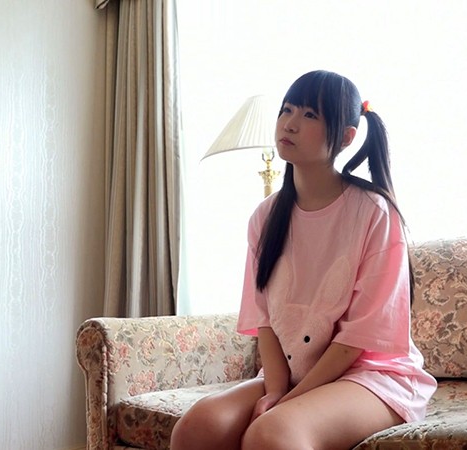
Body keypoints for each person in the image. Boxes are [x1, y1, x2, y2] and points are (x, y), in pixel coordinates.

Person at [170, 70, 437, 450]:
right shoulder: (265, 217)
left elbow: (358, 338)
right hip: (297, 371)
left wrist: (287, 403)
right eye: (287, 110)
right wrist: (276, 392)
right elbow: (265, 320)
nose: (290, 123)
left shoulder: (374, 212)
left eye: (310, 115)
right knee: (198, 427)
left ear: (346, 137)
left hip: (372, 375)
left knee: (272, 433)